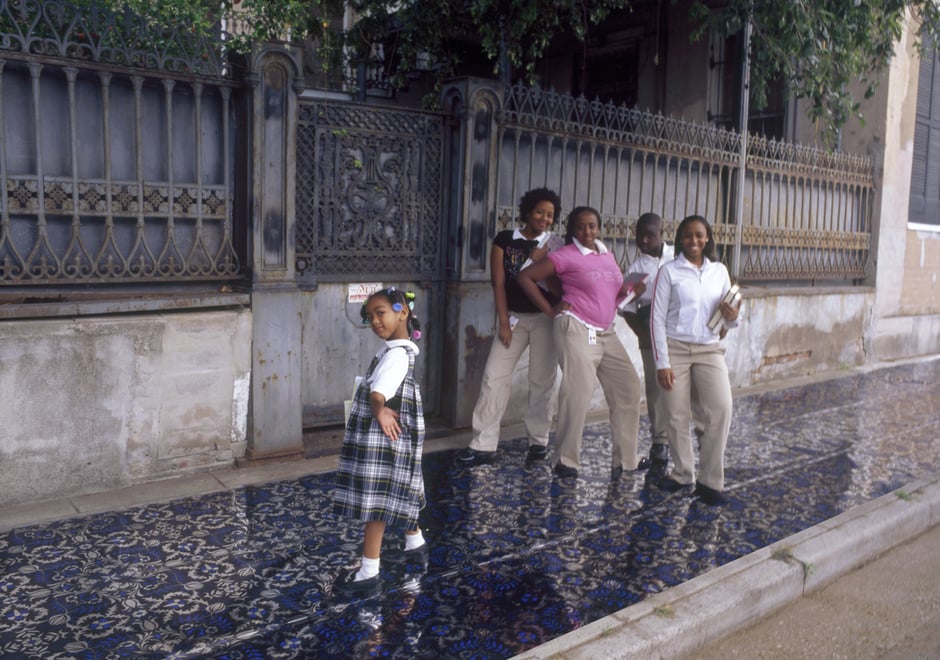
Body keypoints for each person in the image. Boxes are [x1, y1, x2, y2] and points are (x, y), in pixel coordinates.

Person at [517, 206, 643, 480]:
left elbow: (612, 292)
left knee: (629, 387)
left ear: (599, 228)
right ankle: (565, 460)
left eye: (592, 226)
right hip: (575, 326)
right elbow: (525, 277)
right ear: (572, 230)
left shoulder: (606, 253)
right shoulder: (565, 255)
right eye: (581, 227)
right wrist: (551, 309)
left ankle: (626, 461)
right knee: (578, 390)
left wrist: (630, 290)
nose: (587, 232)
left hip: (606, 331)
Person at [456, 188, 565, 466]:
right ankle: (483, 444)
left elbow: (557, 288)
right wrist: (503, 322)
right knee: (494, 377)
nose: (544, 218)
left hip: (544, 319)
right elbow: (499, 283)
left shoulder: (555, 244)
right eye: (539, 211)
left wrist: (543, 262)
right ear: (527, 211)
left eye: (550, 215)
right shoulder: (506, 239)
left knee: (542, 382)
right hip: (513, 319)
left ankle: (538, 442)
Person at [332, 287, 427, 597]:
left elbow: (378, 395)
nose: (374, 321)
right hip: (399, 433)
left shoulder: (396, 355)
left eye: (380, 313)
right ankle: (415, 544)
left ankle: (369, 572)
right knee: (403, 485)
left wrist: (380, 412)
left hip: (385, 436)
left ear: (403, 313)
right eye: (369, 316)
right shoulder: (399, 349)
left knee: (378, 504)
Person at [650, 214, 741, 506]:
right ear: (680, 239)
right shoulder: (669, 272)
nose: (694, 241)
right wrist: (662, 362)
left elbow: (729, 318)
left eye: (699, 235)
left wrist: (733, 317)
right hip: (675, 349)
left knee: (721, 408)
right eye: (688, 236)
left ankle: (710, 482)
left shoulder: (719, 271)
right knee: (676, 413)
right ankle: (682, 474)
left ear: (708, 238)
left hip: (709, 349)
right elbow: (656, 319)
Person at [620, 212, 673, 474]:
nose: (643, 240)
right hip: (650, 333)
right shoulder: (635, 268)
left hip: (679, 331)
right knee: (656, 389)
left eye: (650, 234)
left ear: (662, 233)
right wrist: (642, 335)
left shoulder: (679, 256)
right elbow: (626, 308)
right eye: (639, 234)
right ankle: (660, 442)